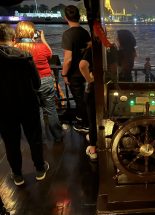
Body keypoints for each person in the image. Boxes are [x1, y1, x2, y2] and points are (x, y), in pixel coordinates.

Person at [0, 23, 49, 186]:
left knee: (11, 141)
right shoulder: (25, 56)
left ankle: (17, 174)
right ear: (13, 38)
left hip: (4, 107)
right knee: (34, 137)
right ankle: (40, 168)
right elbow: (36, 82)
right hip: (28, 103)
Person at [14, 21, 63, 143]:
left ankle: (38, 139)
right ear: (32, 32)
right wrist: (42, 38)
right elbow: (50, 54)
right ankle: (58, 136)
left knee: (36, 112)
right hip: (45, 80)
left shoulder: (15, 49)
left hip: (27, 83)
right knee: (50, 109)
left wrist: (16, 40)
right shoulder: (41, 47)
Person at [61, 5, 91, 132]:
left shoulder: (67, 34)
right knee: (85, 98)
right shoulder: (85, 32)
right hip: (86, 72)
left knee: (79, 99)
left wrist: (63, 74)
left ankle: (85, 125)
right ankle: (85, 120)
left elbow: (68, 59)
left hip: (74, 73)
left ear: (66, 17)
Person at [79, 43, 97, 161]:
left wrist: (90, 80)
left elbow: (83, 65)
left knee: (92, 119)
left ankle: (93, 149)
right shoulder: (111, 48)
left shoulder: (92, 48)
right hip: (108, 86)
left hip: (94, 88)